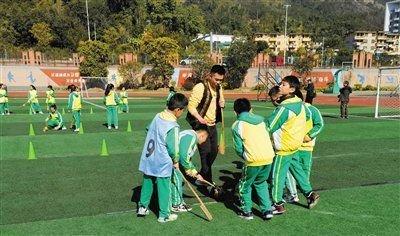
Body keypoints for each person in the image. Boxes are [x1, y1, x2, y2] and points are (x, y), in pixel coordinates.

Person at [266, 76, 319, 215]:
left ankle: (278, 204)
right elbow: (307, 117)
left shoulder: (285, 108)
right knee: (298, 171)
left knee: (277, 175)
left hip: (284, 147)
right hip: (295, 145)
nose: (280, 87)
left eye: (283, 85)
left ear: (292, 89)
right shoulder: (300, 104)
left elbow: (269, 126)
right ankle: (310, 194)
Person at [137, 93, 188, 223]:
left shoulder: (157, 116)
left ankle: (142, 207)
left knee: (148, 180)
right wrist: (176, 161)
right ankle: (164, 215)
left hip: (149, 156)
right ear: (178, 110)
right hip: (162, 160)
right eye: (183, 110)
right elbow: (173, 148)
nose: (182, 113)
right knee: (164, 186)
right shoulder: (173, 125)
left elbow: (148, 129)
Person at [232, 98, 275, 221]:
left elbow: (239, 148)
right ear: (251, 109)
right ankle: (267, 210)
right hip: (268, 158)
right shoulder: (262, 120)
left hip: (253, 160)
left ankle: (247, 212)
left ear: (235, 112)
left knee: (244, 186)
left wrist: (245, 157)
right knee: (261, 183)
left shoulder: (237, 125)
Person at [186, 65, 225, 185]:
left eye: (220, 80)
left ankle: (202, 174)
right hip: (200, 124)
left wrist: (222, 103)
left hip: (212, 124)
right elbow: (191, 106)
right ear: (210, 75)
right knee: (206, 153)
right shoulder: (200, 86)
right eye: (216, 79)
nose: (218, 82)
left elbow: (221, 101)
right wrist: (199, 118)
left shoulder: (219, 87)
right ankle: (208, 182)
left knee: (213, 152)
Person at [170, 128, 208, 213]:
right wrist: (188, 169)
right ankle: (176, 205)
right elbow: (184, 156)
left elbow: (187, 158)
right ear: (202, 135)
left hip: (174, 159)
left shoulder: (189, 135)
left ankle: (176, 201)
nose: (202, 143)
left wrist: (195, 173)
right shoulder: (191, 137)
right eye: (204, 140)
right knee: (177, 180)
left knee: (175, 180)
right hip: (172, 161)